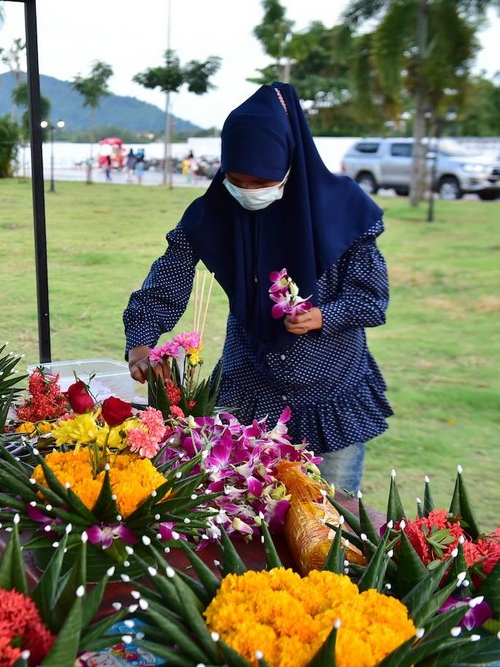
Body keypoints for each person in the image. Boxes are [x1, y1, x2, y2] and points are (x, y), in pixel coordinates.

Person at [123, 82, 391, 496]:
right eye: (236, 179)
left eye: (261, 180)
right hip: (248, 389)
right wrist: (140, 342)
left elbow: (372, 299)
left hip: (330, 392)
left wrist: (326, 315)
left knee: (331, 518)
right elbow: (170, 275)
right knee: (241, 507)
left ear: (289, 161)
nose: (247, 191)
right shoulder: (214, 213)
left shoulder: (344, 211)